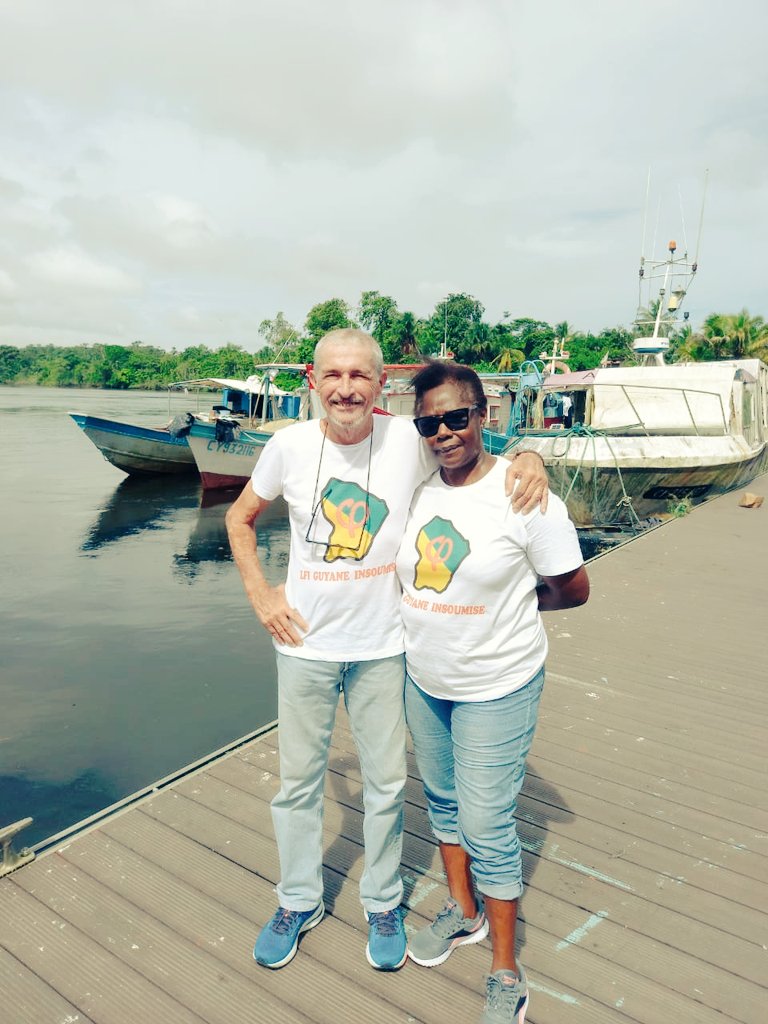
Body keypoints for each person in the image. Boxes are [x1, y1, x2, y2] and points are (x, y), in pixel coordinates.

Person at [224, 329, 550, 974]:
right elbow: (240, 518)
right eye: (333, 374)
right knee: (297, 784)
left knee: (386, 784)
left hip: (384, 646)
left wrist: (532, 453)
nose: (346, 388)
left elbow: (475, 450)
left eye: (359, 376)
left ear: (380, 385)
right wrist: (262, 596)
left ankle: (381, 902)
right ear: (312, 380)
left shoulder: (408, 439)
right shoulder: (287, 446)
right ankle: (298, 900)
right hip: (305, 645)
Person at [396, 361, 589, 1023]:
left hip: (498, 684)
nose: (443, 432)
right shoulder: (417, 486)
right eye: (429, 423)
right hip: (425, 679)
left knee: (486, 823)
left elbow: (572, 588)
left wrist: (514, 606)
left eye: (456, 416)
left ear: (484, 415)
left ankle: (506, 968)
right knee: (442, 801)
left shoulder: (524, 495)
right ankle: (463, 910)